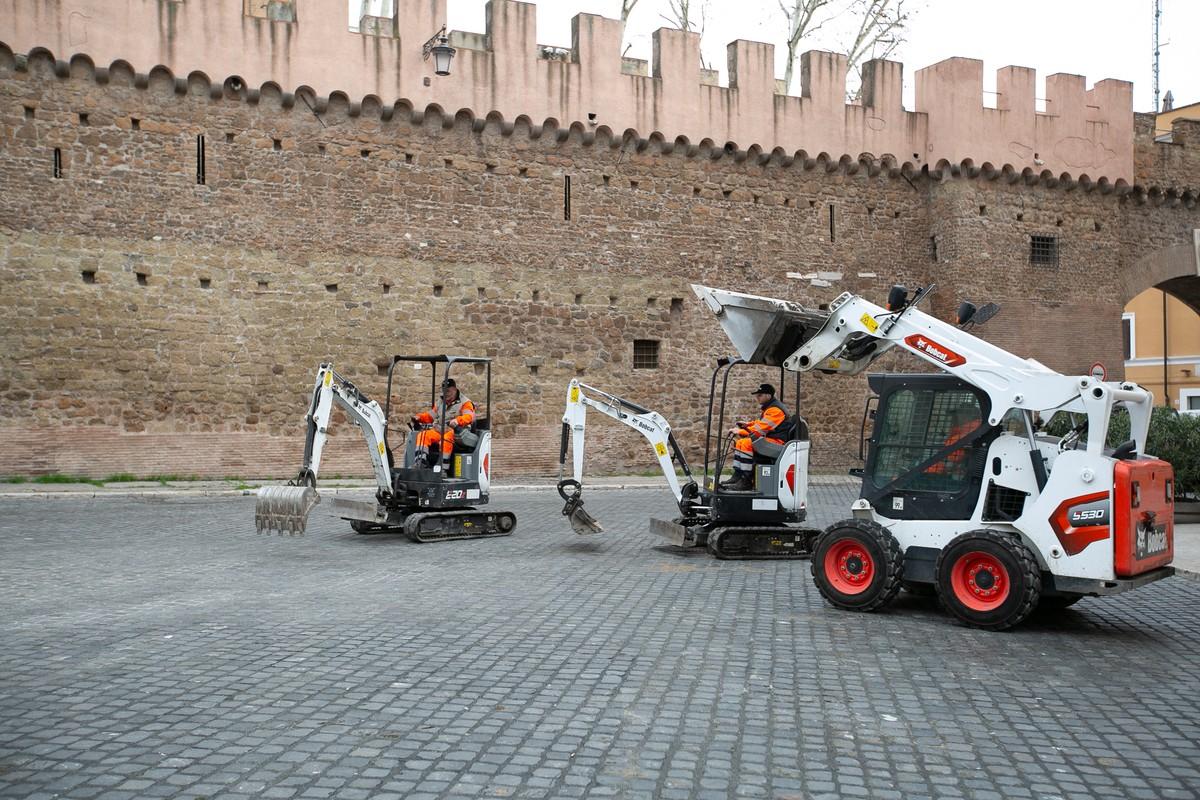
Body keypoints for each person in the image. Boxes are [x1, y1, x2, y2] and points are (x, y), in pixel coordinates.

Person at [720, 383, 792, 492]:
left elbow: (760, 429)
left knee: (746, 443)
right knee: (740, 442)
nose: (757, 398)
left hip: (777, 442)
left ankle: (747, 481)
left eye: (760, 395)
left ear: (768, 396)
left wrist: (740, 431)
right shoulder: (770, 408)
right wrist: (748, 424)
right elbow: (760, 423)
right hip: (770, 439)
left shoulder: (775, 410)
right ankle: (738, 475)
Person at [412, 378, 475, 469]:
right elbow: (430, 416)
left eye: (448, 391)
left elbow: (469, 417)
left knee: (446, 438)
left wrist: (457, 420)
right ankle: (420, 463)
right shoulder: (441, 401)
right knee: (423, 435)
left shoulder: (465, 403)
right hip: (440, 430)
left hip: (457, 432)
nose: (446, 393)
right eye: (444, 391)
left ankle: (442, 468)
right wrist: (420, 417)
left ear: (454, 389)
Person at [925, 404, 981, 477]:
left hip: (940, 472)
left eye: (957, 414)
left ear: (968, 416)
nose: (955, 417)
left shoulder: (971, 431)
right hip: (946, 469)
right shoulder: (965, 430)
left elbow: (952, 459)